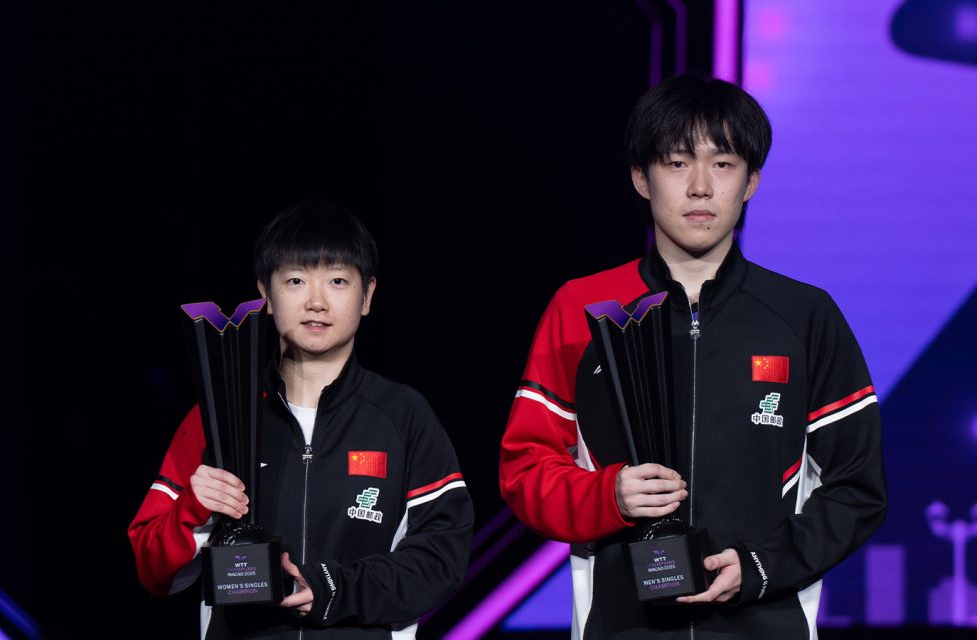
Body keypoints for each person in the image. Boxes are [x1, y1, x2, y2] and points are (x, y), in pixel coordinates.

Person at [499, 74, 886, 639]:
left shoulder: (804, 315)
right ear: (640, 177)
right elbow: (524, 469)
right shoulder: (581, 308)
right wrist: (608, 494)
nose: (701, 187)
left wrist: (760, 567)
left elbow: (857, 487)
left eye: (723, 164)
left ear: (751, 181)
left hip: (765, 621)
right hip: (622, 625)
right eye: (678, 163)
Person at [129, 201, 473, 639]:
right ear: (266, 295)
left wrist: (333, 588)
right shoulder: (216, 416)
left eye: (337, 281)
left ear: (367, 296)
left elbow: (442, 559)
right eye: (295, 280)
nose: (316, 301)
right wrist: (193, 512)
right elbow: (151, 569)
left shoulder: (404, 416)